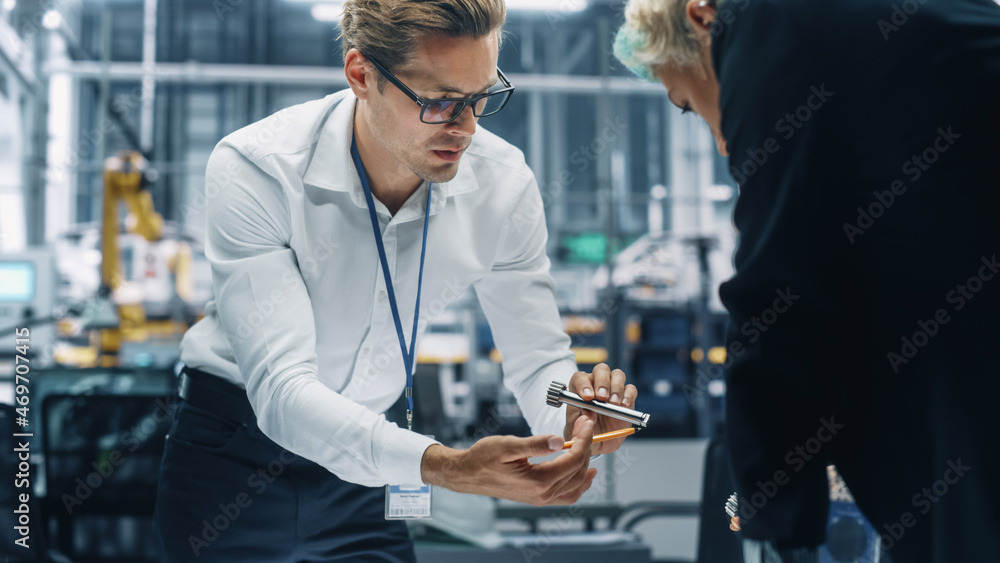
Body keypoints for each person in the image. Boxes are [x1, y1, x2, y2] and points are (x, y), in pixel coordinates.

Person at [154, 1, 639, 561]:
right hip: (231, 453)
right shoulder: (259, 168)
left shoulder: (502, 186)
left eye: (481, 97)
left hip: (371, 457)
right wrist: (446, 467)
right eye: (438, 102)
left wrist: (572, 417)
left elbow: (538, 361)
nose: (466, 128)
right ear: (362, 75)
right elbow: (283, 393)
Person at [614, 0, 1000, 562]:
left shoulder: (765, 22)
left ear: (700, 18)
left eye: (691, 102)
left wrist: (776, 515)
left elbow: (776, 289)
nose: (722, 142)